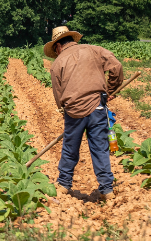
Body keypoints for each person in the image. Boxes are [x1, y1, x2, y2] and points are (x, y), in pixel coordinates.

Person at [46, 26, 123, 201]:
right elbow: (116, 67)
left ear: (57, 46)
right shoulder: (95, 50)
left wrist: (64, 110)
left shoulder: (57, 63)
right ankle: (107, 189)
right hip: (97, 107)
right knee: (100, 148)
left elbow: (58, 94)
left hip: (74, 111)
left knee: (70, 149)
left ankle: (64, 184)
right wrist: (109, 90)